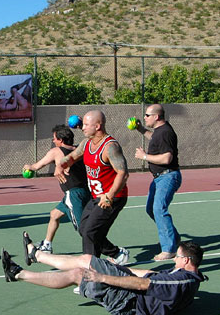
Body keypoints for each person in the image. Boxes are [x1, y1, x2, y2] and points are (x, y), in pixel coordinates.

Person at [2, 235, 206, 315]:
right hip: (131, 296)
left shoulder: (181, 281)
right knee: (82, 266)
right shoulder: (187, 276)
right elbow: (148, 276)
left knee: (81, 269)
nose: (174, 260)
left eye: (177, 257)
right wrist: (125, 270)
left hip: (129, 301)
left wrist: (103, 277)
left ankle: (28, 265)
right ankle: (28, 265)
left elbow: (142, 284)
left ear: (187, 261)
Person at [54, 110, 130, 264]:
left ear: (98, 126)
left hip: (113, 197)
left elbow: (123, 173)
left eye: (87, 125)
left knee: (90, 232)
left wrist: (109, 196)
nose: (82, 127)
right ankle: (117, 254)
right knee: (83, 229)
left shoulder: (110, 147)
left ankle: (91, 274)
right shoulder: (87, 143)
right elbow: (72, 157)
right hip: (95, 196)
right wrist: (60, 165)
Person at [22, 124, 90, 253]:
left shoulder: (56, 152)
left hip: (74, 194)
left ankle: (115, 252)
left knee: (85, 230)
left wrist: (27, 167)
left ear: (61, 140)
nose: (53, 141)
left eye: (54, 138)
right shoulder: (78, 150)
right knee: (54, 215)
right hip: (85, 191)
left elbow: (36, 167)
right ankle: (47, 245)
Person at [131, 104, 182, 261]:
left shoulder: (166, 133)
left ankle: (169, 249)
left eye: (147, 115)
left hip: (168, 176)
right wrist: (140, 129)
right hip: (159, 177)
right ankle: (175, 240)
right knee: (151, 209)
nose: (144, 117)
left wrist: (144, 156)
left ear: (156, 117)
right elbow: (154, 138)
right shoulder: (160, 131)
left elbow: (167, 158)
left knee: (159, 209)